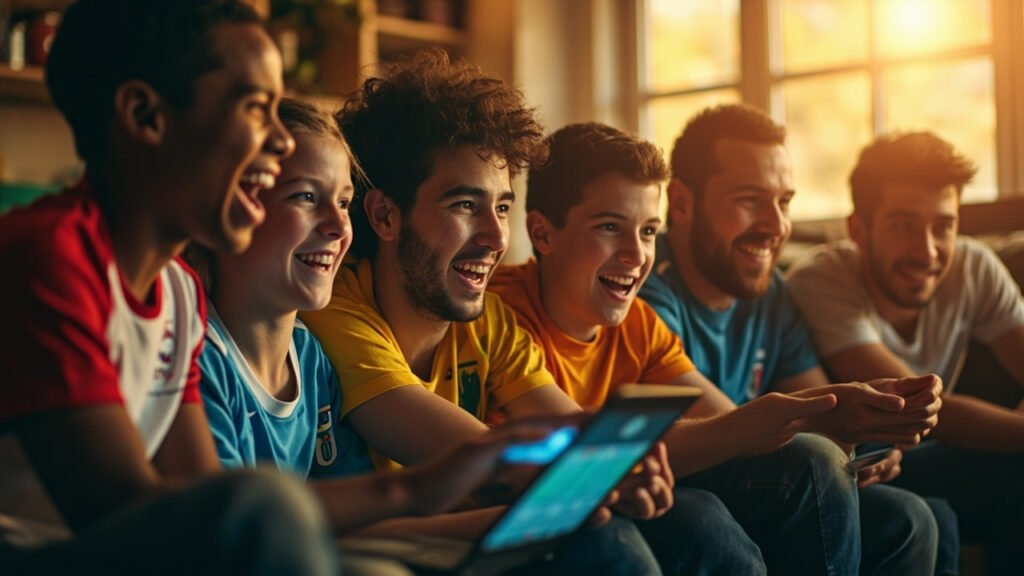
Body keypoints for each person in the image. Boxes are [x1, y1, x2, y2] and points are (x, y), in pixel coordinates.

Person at [190, 98, 612, 573]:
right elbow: (224, 530)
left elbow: (353, 524)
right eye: (306, 197)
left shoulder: (308, 358)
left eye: (344, 202)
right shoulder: (202, 354)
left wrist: (532, 517)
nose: (337, 226)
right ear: (235, 207)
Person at [0, 1, 342, 574]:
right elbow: (123, 511)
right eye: (257, 109)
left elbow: (197, 495)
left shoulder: (181, 294)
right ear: (145, 115)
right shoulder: (46, 256)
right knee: (263, 502)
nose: (281, 143)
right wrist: (408, 491)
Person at [300, 50, 663, 574]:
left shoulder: (489, 321)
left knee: (692, 516)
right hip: (404, 552)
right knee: (607, 544)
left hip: (470, 537)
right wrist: (600, 469)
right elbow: (480, 458)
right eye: (465, 206)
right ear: (384, 214)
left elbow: (565, 425)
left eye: (501, 207)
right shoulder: (337, 313)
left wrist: (624, 462)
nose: (497, 239)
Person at [636, 104, 954, 575]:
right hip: (683, 476)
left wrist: (867, 436)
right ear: (680, 203)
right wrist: (836, 434)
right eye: (749, 200)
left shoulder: (771, 293)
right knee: (816, 460)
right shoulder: (642, 288)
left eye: (784, 202)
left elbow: (817, 400)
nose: (775, 226)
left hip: (762, 477)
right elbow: (724, 427)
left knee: (912, 520)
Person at [787, 131, 1024, 574]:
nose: (927, 250)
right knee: (933, 514)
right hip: (867, 466)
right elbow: (915, 407)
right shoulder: (820, 281)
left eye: (944, 226)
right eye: (903, 225)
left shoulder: (973, 266)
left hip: (930, 458)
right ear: (859, 229)